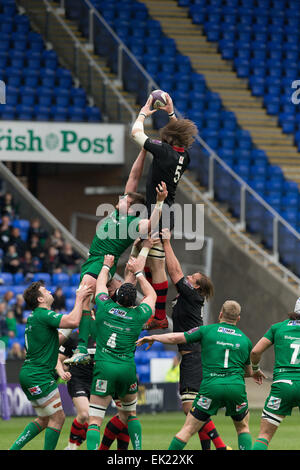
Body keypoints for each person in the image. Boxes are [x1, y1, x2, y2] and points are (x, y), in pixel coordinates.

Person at [65, 147, 168, 365]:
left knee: (83, 298)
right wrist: (142, 151)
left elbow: (151, 224)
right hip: (93, 260)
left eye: (126, 201)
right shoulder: (116, 214)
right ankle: (93, 337)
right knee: (99, 301)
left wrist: (159, 202)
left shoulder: (131, 223)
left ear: (132, 208)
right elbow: (133, 177)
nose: (121, 199)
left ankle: (82, 347)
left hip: (102, 263)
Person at [137, 300, 255, 451]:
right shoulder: (245, 340)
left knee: (188, 430)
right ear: (238, 319)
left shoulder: (207, 330)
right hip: (236, 388)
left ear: (220, 314)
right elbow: (249, 372)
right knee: (243, 428)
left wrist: (153, 337)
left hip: (211, 387)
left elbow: (175, 338)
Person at [153, 228, 225, 450]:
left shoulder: (192, 296)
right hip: (190, 356)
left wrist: (166, 243)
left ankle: (221, 446)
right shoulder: (188, 297)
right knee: (194, 408)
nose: (188, 277)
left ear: (196, 287)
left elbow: (174, 271)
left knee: (190, 408)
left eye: (192, 277)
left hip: (194, 356)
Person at [131, 93, 198, 330]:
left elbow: (136, 134)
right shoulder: (184, 155)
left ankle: (159, 315)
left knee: (156, 266)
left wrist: (145, 111)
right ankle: (155, 313)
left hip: (160, 213)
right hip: (163, 211)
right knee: (149, 263)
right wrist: (170, 113)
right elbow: (175, 133)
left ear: (169, 138)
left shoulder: (164, 151)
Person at [9, 280, 93, 450]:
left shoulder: (37, 318)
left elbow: (57, 340)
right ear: (40, 299)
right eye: (45, 291)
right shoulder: (42, 315)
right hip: (38, 375)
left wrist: (75, 313)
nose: (49, 292)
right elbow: (73, 321)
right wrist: (79, 298)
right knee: (58, 417)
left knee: (44, 419)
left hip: (31, 373)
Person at [86, 250, 157, 450]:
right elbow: (152, 295)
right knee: (130, 414)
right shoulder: (138, 316)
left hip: (104, 367)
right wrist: (140, 273)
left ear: (115, 296)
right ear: (134, 303)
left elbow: (100, 285)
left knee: (95, 421)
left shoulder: (105, 307)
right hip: (126, 369)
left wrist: (106, 265)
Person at [57, 278, 130, 451]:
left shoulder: (103, 336)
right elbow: (58, 359)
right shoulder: (75, 337)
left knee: (100, 418)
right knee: (85, 414)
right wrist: (62, 371)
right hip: (78, 380)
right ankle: (71, 446)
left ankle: (77, 443)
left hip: (98, 380)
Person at [250, 298, 300, 450]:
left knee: (264, 436)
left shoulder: (277, 328)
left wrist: (256, 368)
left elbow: (255, 351)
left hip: (282, 385)